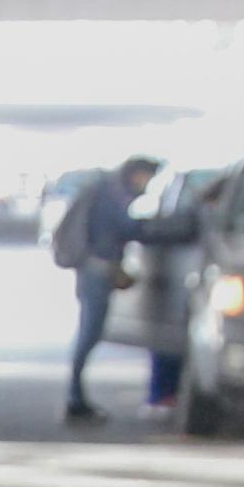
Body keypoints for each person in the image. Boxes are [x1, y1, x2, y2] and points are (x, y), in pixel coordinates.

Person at [53, 154, 161, 419]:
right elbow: (124, 229)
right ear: (137, 173)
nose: (147, 186)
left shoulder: (106, 190)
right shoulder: (112, 195)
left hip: (93, 269)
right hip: (97, 271)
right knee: (89, 333)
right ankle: (75, 397)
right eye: (147, 178)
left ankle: (76, 395)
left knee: (89, 333)